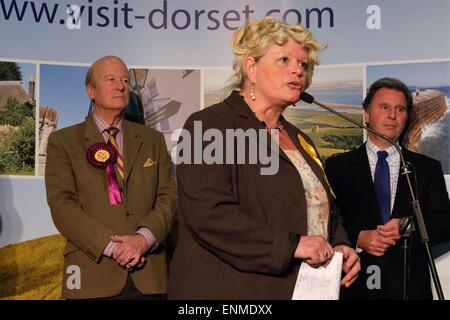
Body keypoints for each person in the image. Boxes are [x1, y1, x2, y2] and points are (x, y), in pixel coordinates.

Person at [168, 17, 360, 300]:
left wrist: (339, 245)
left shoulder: (300, 139)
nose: (297, 70)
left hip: (304, 289)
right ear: (251, 68)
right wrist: (293, 245)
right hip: (229, 290)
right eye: (284, 60)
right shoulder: (209, 125)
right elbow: (209, 214)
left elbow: (324, 205)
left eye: (303, 64)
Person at [45, 55, 177, 299]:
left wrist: (142, 240)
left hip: (149, 276)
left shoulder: (153, 141)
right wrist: (112, 246)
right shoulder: (63, 142)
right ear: (91, 91)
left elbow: (168, 198)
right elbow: (62, 205)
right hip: (91, 276)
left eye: (125, 80)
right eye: (111, 79)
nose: (121, 86)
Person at [325, 77, 450, 300]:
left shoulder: (427, 169)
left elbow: (445, 223)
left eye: (400, 109)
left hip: (410, 290)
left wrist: (407, 227)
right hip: (355, 288)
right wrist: (358, 238)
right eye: (384, 107)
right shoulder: (337, 167)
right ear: (366, 114)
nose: (392, 115)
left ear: (407, 117)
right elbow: (324, 223)